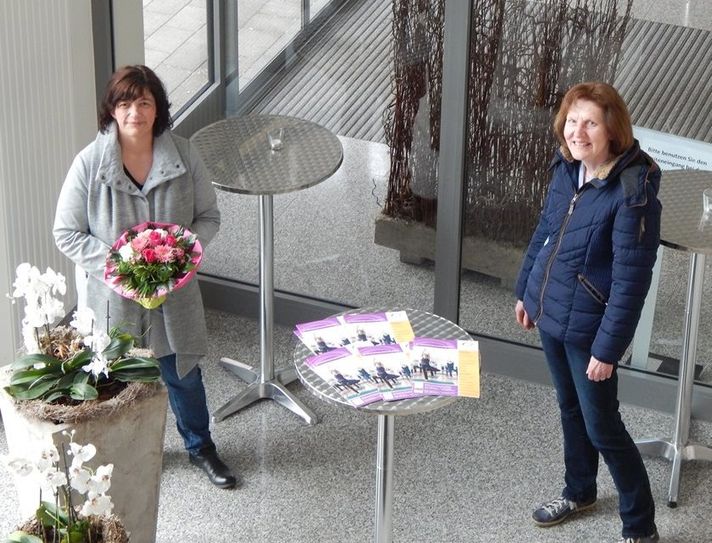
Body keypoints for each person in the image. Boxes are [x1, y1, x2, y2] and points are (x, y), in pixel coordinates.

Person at [53, 65, 239, 490]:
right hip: (114, 298)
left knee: (183, 372)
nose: (134, 111)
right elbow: (65, 233)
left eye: (144, 102)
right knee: (113, 378)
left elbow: (209, 216)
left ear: (158, 109)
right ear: (111, 111)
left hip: (173, 295)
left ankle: (201, 447)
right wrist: (122, 263)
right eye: (124, 103)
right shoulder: (89, 164)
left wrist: (181, 253)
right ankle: (113, 456)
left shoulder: (184, 154)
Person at [514, 82, 660, 543]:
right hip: (553, 312)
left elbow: (631, 282)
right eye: (573, 120)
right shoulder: (566, 169)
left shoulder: (632, 193)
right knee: (569, 409)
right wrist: (527, 291)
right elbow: (546, 232)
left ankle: (640, 527)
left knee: (604, 427)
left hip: (591, 329)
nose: (579, 131)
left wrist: (608, 348)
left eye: (591, 122)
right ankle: (579, 491)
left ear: (612, 129)